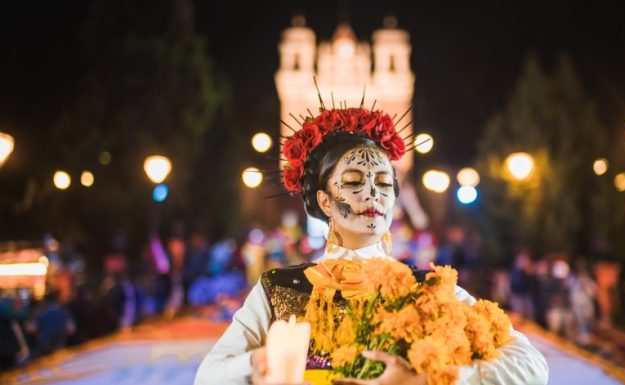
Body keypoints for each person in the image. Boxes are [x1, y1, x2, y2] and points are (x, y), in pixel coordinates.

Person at [195, 105, 548, 385]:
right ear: (325, 201)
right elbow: (208, 376)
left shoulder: (427, 288)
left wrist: (431, 380)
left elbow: (531, 366)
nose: (372, 193)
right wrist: (262, 363)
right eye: (352, 181)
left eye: (383, 182)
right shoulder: (279, 288)